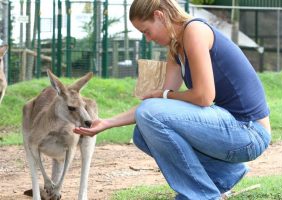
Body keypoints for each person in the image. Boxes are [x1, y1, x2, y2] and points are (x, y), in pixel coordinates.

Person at [74, 0, 271, 199]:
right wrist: (107, 123)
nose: (148, 39)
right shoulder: (176, 47)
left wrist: (166, 95)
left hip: (250, 132)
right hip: (232, 130)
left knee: (149, 115)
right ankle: (223, 174)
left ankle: (201, 195)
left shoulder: (195, 31)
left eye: (146, 31)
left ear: (160, 16)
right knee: (142, 132)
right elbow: (157, 107)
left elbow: (204, 96)